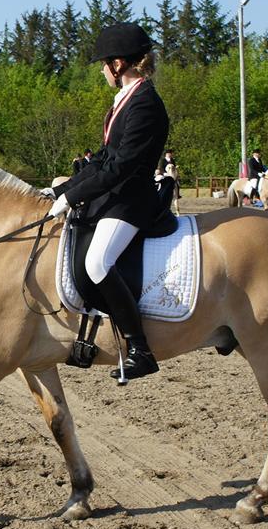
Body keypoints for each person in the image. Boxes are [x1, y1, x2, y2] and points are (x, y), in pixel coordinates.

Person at [41, 22, 171, 381]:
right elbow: (102, 158)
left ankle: (140, 348)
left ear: (119, 64)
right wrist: (60, 191)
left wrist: (71, 196)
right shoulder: (125, 101)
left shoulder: (145, 104)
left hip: (132, 200)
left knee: (98, 262)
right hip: (115, 197)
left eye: (104, 63)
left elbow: (121, 168)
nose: (101, 70)